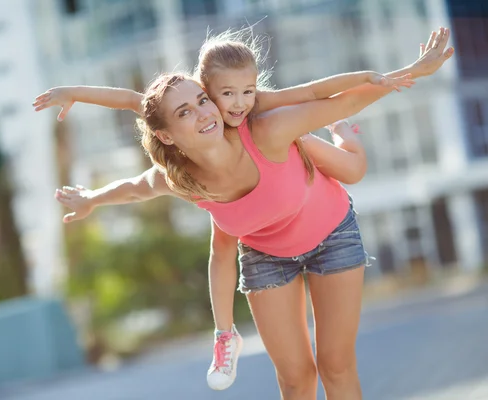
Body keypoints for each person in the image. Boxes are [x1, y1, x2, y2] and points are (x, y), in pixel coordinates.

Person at [36, 27, 453, 399]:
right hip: (265, 255)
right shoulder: (179, 178)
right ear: (165, 135)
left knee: (336, 365)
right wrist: (91, 199)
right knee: (295, 379)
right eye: (185, 112)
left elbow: (338, 101)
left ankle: (344, 142)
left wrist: (414, 71)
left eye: (202, 99)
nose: (204, 112)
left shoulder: (266, 128)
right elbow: (131, 185)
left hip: (330, 232)